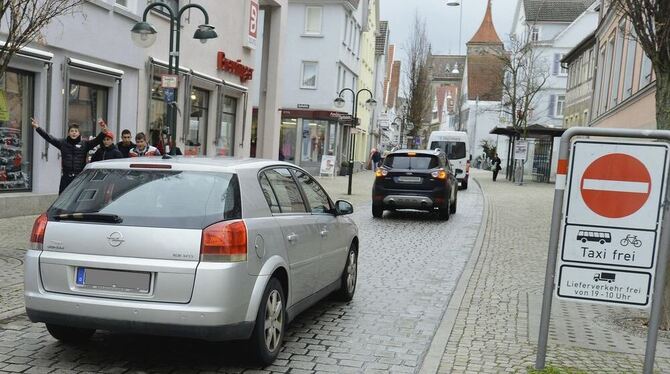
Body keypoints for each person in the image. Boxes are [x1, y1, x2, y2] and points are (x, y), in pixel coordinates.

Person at [32, 118, 109, 194]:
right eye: (72, 131)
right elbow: (49, 138)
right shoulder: (62, 143)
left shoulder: (85, 144)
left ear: (79, 133)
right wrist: (38, 128)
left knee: (76, 199)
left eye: (76, 131)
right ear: (68, 133)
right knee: (62, 198)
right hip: (66, 177)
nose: (74, 133)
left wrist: (103, 132)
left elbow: (97, 141)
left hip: (79, 178)